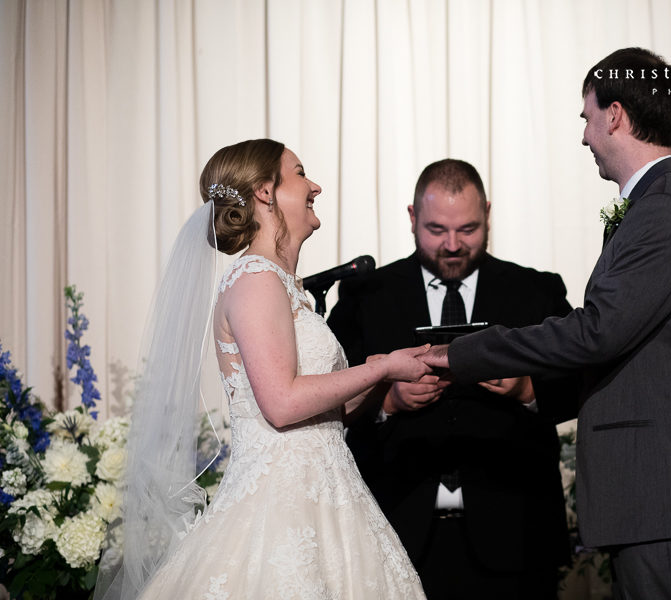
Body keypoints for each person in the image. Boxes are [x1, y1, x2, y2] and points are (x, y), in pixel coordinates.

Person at [422, 48, 671, 600]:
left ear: (614, 115)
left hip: (661, 496)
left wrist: (461, 354)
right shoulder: (664, 204)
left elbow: (598, 332)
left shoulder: (662, 209)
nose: (584, 136)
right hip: (660, 494)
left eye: (586, 117)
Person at [96, 139, 429, 599]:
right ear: (264, 193)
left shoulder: (283, 286)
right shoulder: (255, 279)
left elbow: (324, 414)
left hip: (329, 497)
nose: (315, 186)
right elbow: (281, 403)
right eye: (299, 173)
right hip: (278, 511)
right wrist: (381, 369)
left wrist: (379, 375)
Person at [327, 159, 577, 599]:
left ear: (488, 214)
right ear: (411, 218)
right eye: (437, 230)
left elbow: (581, 384)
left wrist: (527, 390)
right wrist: (387, 403)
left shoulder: (536, 291)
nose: (453, 244)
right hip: (395, 532)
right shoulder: (365, 296)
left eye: (468, 229)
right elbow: (326, 399)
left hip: (516, 534)